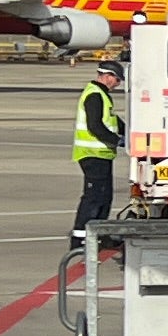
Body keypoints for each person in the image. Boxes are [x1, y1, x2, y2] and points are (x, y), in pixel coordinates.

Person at [69, 55, 123, 231]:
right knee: (93, 197)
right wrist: (118, 140)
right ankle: (80, 237)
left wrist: (130, 131)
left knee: (104, 197)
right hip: (92, 155)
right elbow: (95, 126)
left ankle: (100, 234)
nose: (118, 84)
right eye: (117, 79)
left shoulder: (102, 95)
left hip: (102, 155)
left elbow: (112, 120)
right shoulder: (94, 95)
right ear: (107, 76)